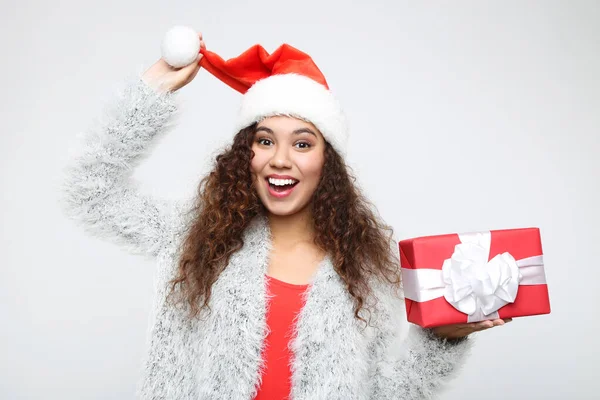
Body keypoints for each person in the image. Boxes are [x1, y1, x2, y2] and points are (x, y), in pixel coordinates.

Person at [60, 32, 510, 399]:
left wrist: (443, 339)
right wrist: (152, 89)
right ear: (246, 155)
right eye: (264, 140)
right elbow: (89, 191)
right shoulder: (193, 237)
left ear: (326, 161)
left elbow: (384, 393)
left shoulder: (366, 271)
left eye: (302, 143)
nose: (280, 159)